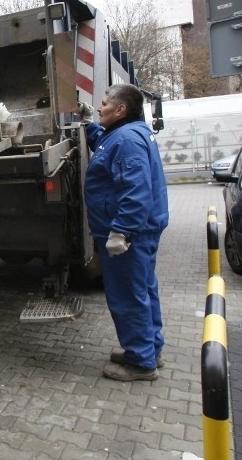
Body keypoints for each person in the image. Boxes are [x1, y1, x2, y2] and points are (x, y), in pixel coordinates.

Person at [79, 85, 169, 382]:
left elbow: (135, 191)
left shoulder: (127, 141)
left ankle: (141, 364)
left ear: (120, 110)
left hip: (129, 236)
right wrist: (87, 124)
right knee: (143, 291)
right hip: (141, 233)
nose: (99, 108)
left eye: (103, 104)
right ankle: (148, 350)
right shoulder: (125, 133)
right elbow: (104, 145)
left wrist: (120, 232)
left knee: (128, 296)